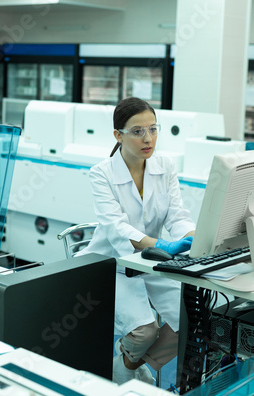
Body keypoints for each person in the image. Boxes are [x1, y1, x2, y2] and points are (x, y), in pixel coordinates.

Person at [76, 97, 195, 385]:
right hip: (113, 264)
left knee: (190, 319)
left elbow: (177, 215)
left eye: (153, 129)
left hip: (151, 262)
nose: (148, 138)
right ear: (118, 135)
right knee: (145, 331)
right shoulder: (101, 173)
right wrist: (161, 245)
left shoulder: (165, 166)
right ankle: (129, 364)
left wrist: (192, 237)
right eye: (138, 131)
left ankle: (128, 364)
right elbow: (117, 229)